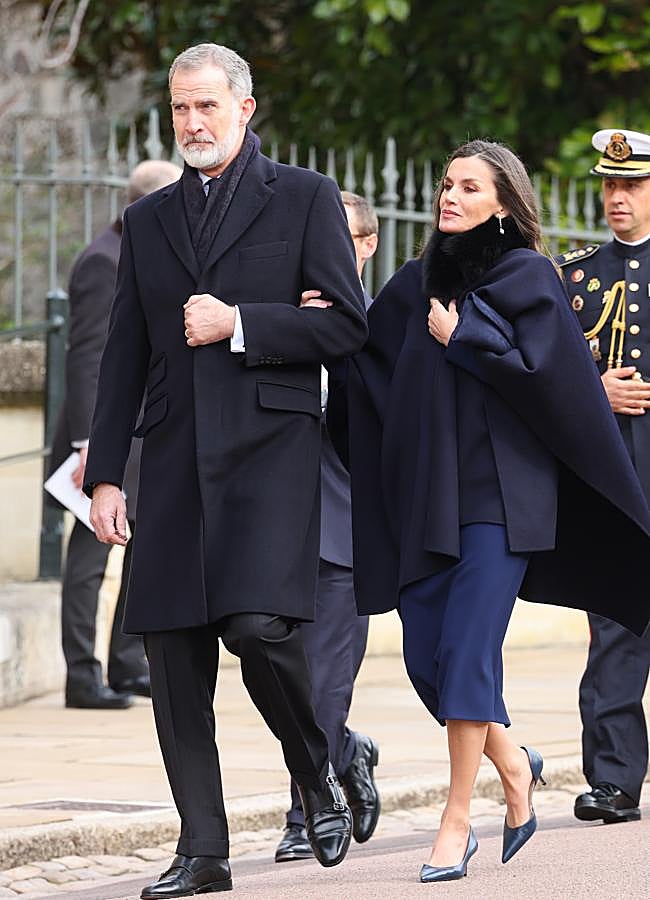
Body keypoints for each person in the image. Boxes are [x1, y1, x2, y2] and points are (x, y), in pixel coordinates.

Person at [84, 43, 368, 899]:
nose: (193, 123)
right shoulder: (149, 220)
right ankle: (203, 850)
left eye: (208, 106)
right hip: (171, 460)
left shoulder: (309, 199)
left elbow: (347, 326)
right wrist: (104, 475)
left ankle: (317, 770)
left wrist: (241, 322)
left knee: (257, 628)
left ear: (247, 108)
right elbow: (123, 355)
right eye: (180, 109)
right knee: (172, 653)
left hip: (269, 456)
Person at [336, 139, 650, 883]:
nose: (450, 196)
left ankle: (455, 824)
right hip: (427, 499)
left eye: (469, 187)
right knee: (424, 659)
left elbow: (555, 381)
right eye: (446, 184)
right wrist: (326, 313)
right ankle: (514, 763)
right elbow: (366, 368)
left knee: (470, 653)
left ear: (503, 202)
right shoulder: (413, 286)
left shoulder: (530, 275)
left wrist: (466, 338)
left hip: (502, 502)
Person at [49, 159, 182, 710]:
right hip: (99, 440)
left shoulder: (143, 251)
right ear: (146, 203)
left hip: (143, 434)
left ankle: (128, 665)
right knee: (87, 560)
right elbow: (86, 361)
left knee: (140, 550)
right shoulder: (102, 261)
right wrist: (86, 444)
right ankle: (83, 676)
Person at [275, 191, 380, 863]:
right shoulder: (282, 317)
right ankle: (348, 750)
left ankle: (305, 811)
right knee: (278, 674)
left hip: (345, 528)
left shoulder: (380, 327)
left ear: (367, 246)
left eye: (339, 236)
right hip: (274, 527)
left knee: (322, 680)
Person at [558, 129, 650, 825]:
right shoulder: (578, 276)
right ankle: (614, 780)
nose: (618, 198)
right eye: (611, 186)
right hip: (615, 475)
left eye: (633, 186)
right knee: (616, 625)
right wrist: (598, 391)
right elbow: (550, 376)